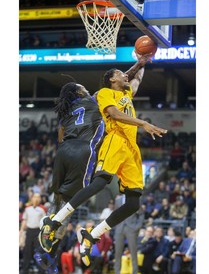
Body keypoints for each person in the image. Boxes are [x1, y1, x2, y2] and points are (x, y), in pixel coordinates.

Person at [39, 53, 168, 267]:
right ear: (111, 79)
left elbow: (135, 78)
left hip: (131, 148)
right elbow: (115, 114)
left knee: (134, 203)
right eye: (120, 74)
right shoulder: (105, 94)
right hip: (114, 141)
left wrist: (142, 61)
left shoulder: (126, 93)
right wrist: (143, 123)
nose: (125, 76)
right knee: (100, 182)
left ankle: (92, 235)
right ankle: (54, 221)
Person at [35, 81, 105, 273]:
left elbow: (60, 135)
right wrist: (138, 64)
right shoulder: (93, 99)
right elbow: (119, 80)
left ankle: (46, 250)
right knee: (69, 203)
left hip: (64, 150)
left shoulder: (67, 109)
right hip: (81, 151)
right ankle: (47, 253)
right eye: (84, 86)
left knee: (57, 197)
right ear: (79, 91)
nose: (87, 87)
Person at [19, 193, 47, 274]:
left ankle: (41, 271)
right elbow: (24, 220)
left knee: (39, 252)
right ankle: (25, 270)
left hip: (38, 232)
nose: (36, 199)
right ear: (32, 199)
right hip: (29, 231)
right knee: (27, 252)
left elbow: (44, 223)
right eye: (35, 197)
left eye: (38, 197)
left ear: (40, 199)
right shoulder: (27, 209)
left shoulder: (43, 209)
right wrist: (21, 230)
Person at [113, 204, 145, 274]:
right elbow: (115, 214)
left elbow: (141, 214)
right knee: (117, 253)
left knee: (133, 252)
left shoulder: (134, 199)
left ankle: (134, 272)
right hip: (119, 229)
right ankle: (117, 272)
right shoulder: (118, 200)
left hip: (131, 229)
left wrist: (138, 226)